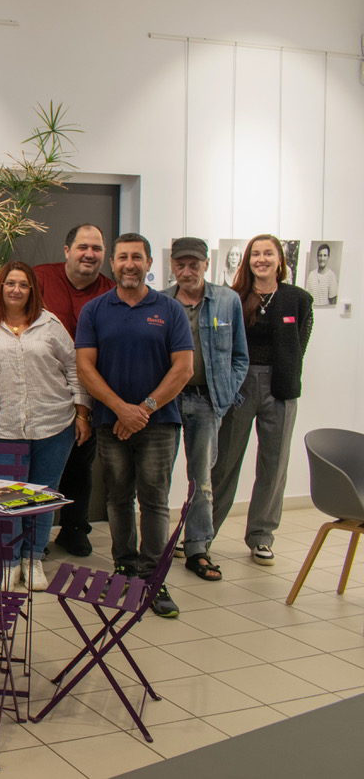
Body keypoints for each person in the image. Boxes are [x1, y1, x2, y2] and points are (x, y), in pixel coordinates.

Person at [75, 233, 193, 618]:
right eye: (123, 257)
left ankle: (153, 578)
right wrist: (120, 409)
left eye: (137, 258)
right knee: (118, 498)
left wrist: (143, 408)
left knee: (155, 501)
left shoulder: (170, 310)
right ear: (113, 263)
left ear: (148, 264)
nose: (130, 264)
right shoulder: (95, 310)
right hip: (112, 422)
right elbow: (85, 368)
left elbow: (184, 368)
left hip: (159, 424)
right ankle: (125, 569)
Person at [0, 262, 90, 590]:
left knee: (43, 496)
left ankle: (33, 558)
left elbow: (75, 367)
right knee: (5, 498)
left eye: (23, 284)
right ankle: (8, 560)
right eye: (10, 283)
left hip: (54, 423)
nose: (16, 289)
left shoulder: (49, 323)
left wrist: (82, 413)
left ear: (32, 290)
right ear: (0, 288)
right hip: (4, 425)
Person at [211, 235, 314, 566]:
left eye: (269, 253)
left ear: (280, 260)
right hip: (240, 385)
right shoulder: (233, 297)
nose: (262, 259)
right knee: (224, 462)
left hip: (281, 388)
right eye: (256, 253)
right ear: (248, 260)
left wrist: (284, 373)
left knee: (274, 464)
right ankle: (203, 532)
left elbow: (300, 343)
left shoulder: (297, 299)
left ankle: (261, 536)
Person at [165, 237, 248, 582]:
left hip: (206, 400)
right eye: (180, 265)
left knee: (202, 481)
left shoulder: (228, 301)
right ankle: (158, 547)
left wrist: (225, 395)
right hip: (166, 402)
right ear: (171, 266)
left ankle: (197, 547)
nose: (187, 272)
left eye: (194, 265)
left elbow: (240, 357)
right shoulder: (160, 302)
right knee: (157, 478)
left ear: (206, 265)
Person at [34, 223, 115, 557]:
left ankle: (73, 528)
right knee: (38, 467)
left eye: (96, 248)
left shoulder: (110, 290)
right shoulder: (39, 278)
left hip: (89, 392)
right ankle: (32, 535)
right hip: (41, 390)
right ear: (67, 251)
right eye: (83, 247)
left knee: (80, 464)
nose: (90, 254)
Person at [305, 243, 338, 307]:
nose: (322, 258)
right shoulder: (311, 275)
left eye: (325, 255)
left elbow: (333, 303)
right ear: (317, 257)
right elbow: (307, 298)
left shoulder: (331, 276)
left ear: (328, 257)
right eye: (320, 255)